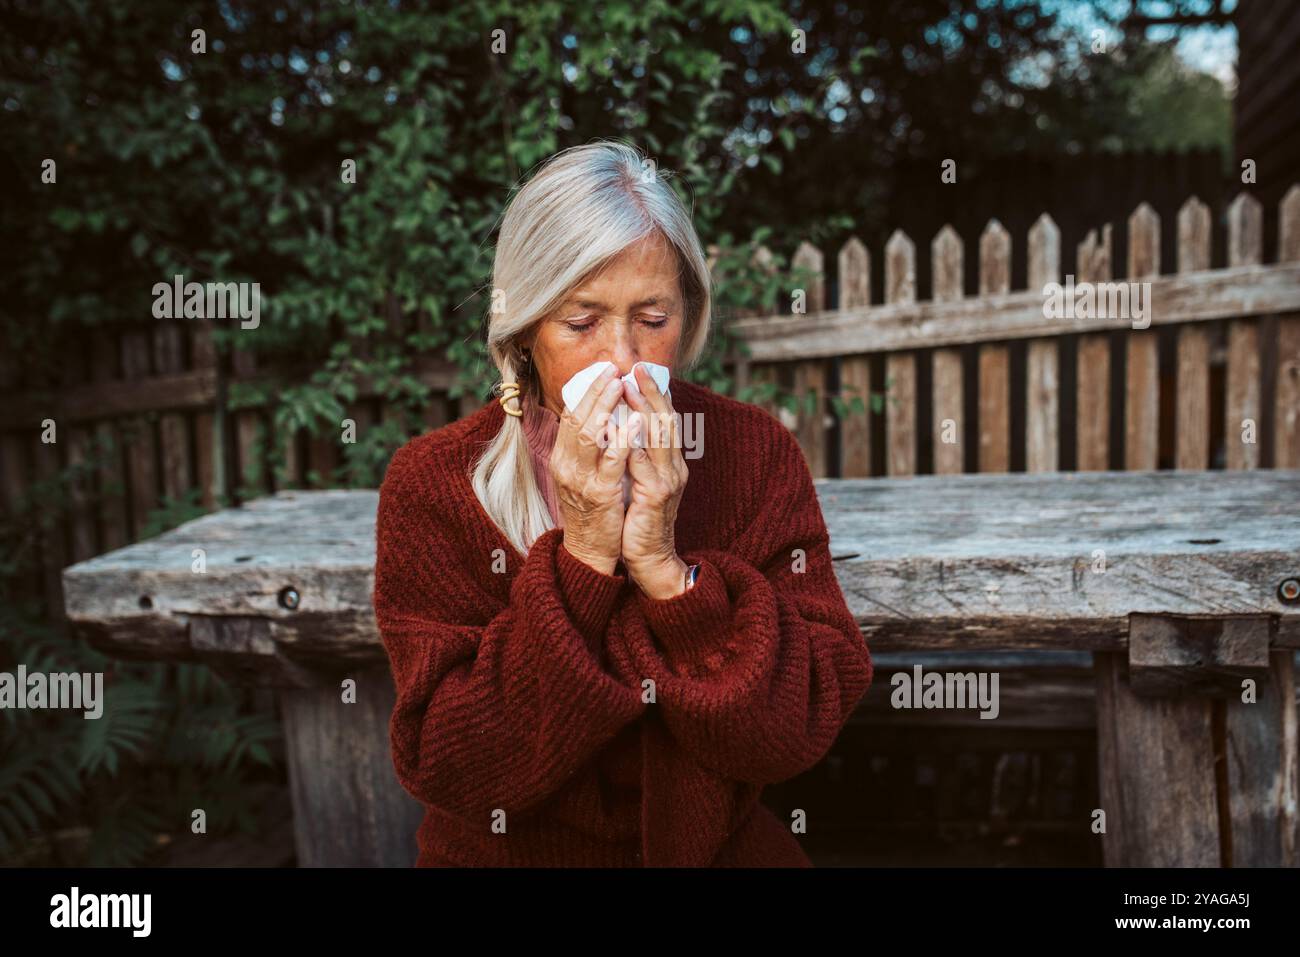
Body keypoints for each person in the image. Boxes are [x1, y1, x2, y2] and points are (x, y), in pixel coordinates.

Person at [373, 140, 873, 866]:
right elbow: (457, 766)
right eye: (581, 322)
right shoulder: (434, 482)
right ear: (522, 329)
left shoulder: (751, 450)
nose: (622, 358)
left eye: (652, 316)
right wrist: (581, 559)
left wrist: (668, 574)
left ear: (689, 313)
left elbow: (792, 731)